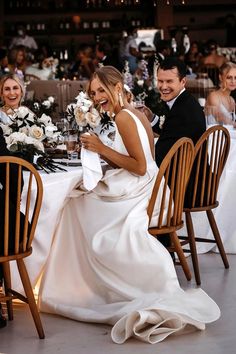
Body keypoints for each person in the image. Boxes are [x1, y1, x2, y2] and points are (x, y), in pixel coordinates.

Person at [38, 65, 219, 344]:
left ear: (118, 87)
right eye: (93, 92)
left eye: (102, 90)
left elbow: (138, 166)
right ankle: (81, 284)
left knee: (73, 208)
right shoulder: (132, 113)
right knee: (79, 200)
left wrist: (101, 149)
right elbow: (139, 161)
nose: (97, 96)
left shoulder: (124, 117)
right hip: (147, 184)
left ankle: (76, 289)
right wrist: (103, 154)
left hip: (138, 190)